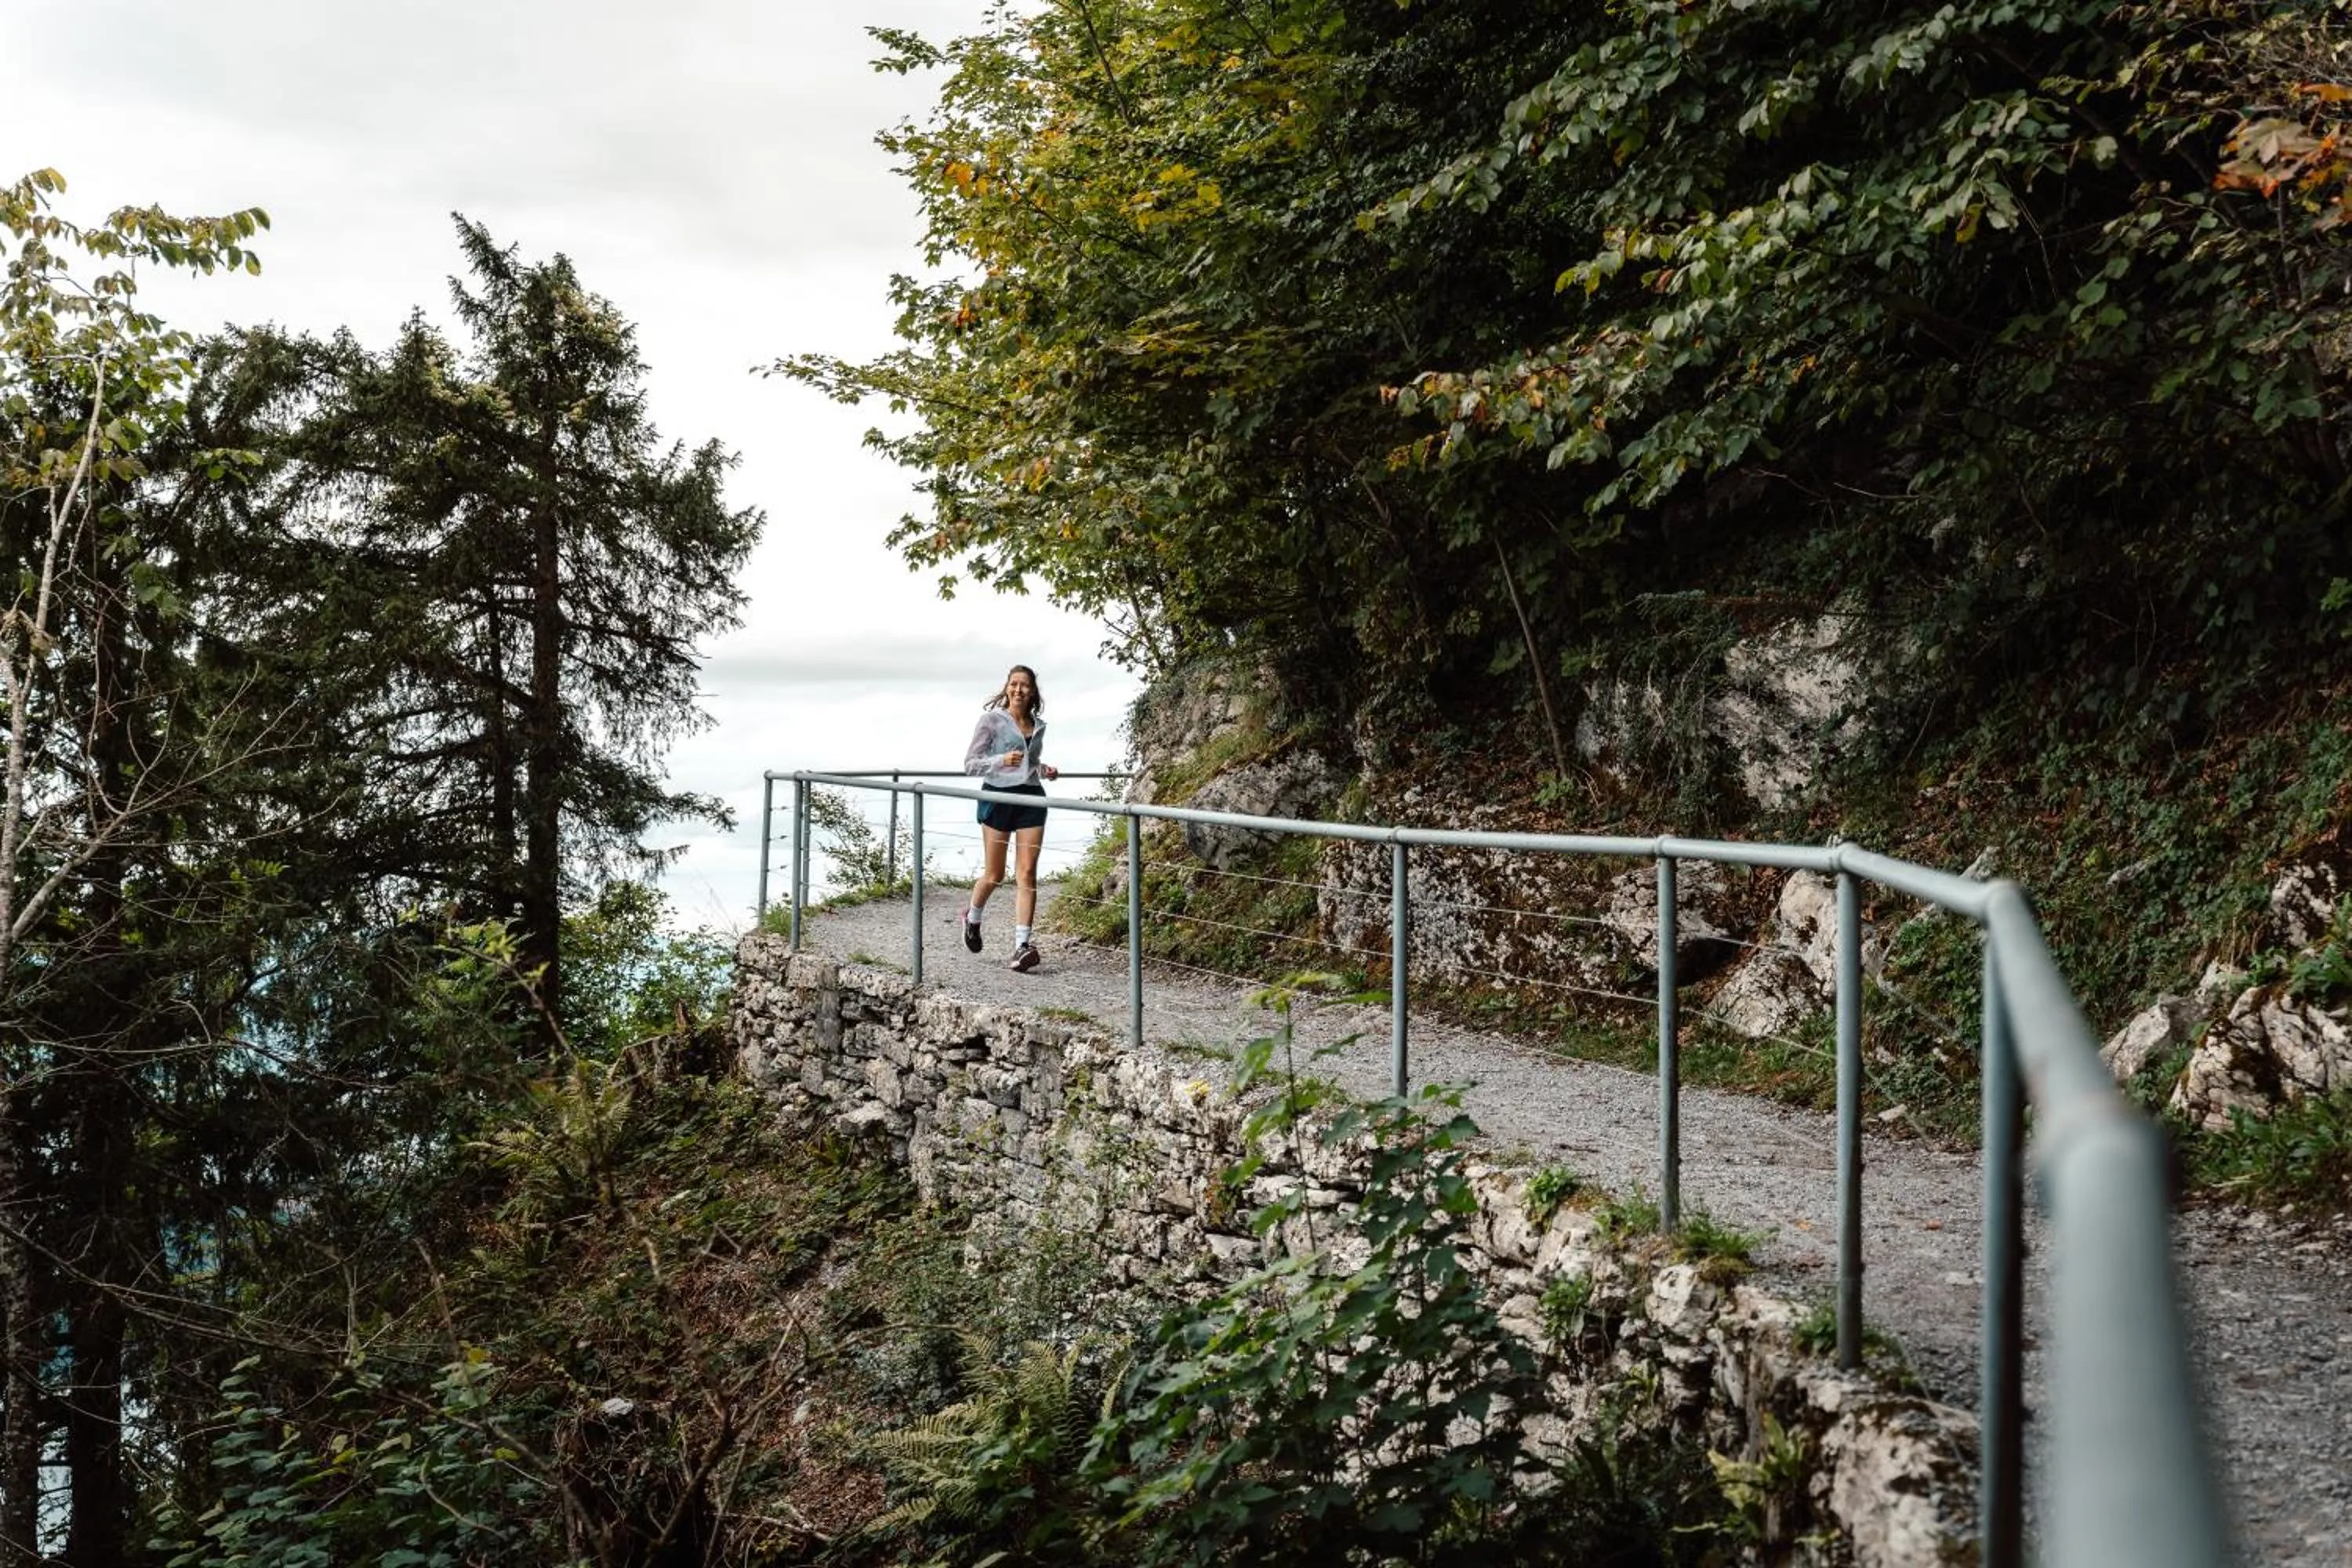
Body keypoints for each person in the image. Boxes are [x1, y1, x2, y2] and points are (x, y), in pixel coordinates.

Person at [961, 664, 1058, 972]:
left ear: (1033, 692)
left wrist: (1044, 770)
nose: (1018, 690)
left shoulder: (1038, 725)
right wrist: (1000, 760)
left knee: (1027, 873)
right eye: (1013, 684)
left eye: (1024, 685)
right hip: (998, 798)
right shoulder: (991, 721)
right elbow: (971, 765)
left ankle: (1022, 947)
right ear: (1006, 688)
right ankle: (972, 917)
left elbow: (1031, 764)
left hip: (1030, 798)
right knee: (995, 874)